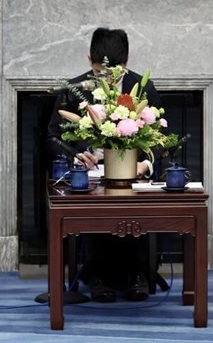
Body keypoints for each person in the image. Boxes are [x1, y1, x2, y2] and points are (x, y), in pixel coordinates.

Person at [46, 27, 159, 303]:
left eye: (113, 72)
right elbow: (52, 135)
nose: (107, 77)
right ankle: (98, 275)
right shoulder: (76, 90)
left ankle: (138, 274)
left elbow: (161, 137)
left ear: (127, 61)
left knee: (136, 202)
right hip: (91, 172)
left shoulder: (142, 88)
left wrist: (145, 164)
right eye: (100, 72)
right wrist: (76, 156)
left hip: (133, 173)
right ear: (89, 61)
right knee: (94, 200)